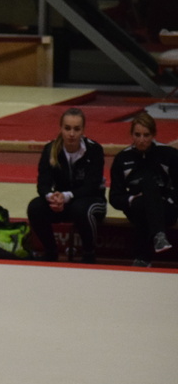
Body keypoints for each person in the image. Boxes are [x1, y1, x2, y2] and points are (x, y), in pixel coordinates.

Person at [26, 107, 106, 263]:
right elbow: (43, 183)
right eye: (67, 128)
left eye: (76, 129)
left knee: (80, 208)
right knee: (35, 207)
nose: (71, 134)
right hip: (62, 202)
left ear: (83, 130)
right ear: (61, 128)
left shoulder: (94, 150)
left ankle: (89, 254)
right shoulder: (50, 150)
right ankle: (51, 252)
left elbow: (91, 185)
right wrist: (51, 197)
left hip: (91, 201)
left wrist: (66, 196)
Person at [109, 112, 178, 267]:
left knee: (148, 183)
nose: (141, 140)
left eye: (146, 135)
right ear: (131, 135)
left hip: (165, 208)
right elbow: (114, 197)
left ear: (153, 135)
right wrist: (132, 199)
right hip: (136, 207)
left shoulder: (169, 155)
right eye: (137, 135)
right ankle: (158, 236)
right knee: (142, 202)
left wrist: (168, 200)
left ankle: (142, 258)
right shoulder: (122, 159)